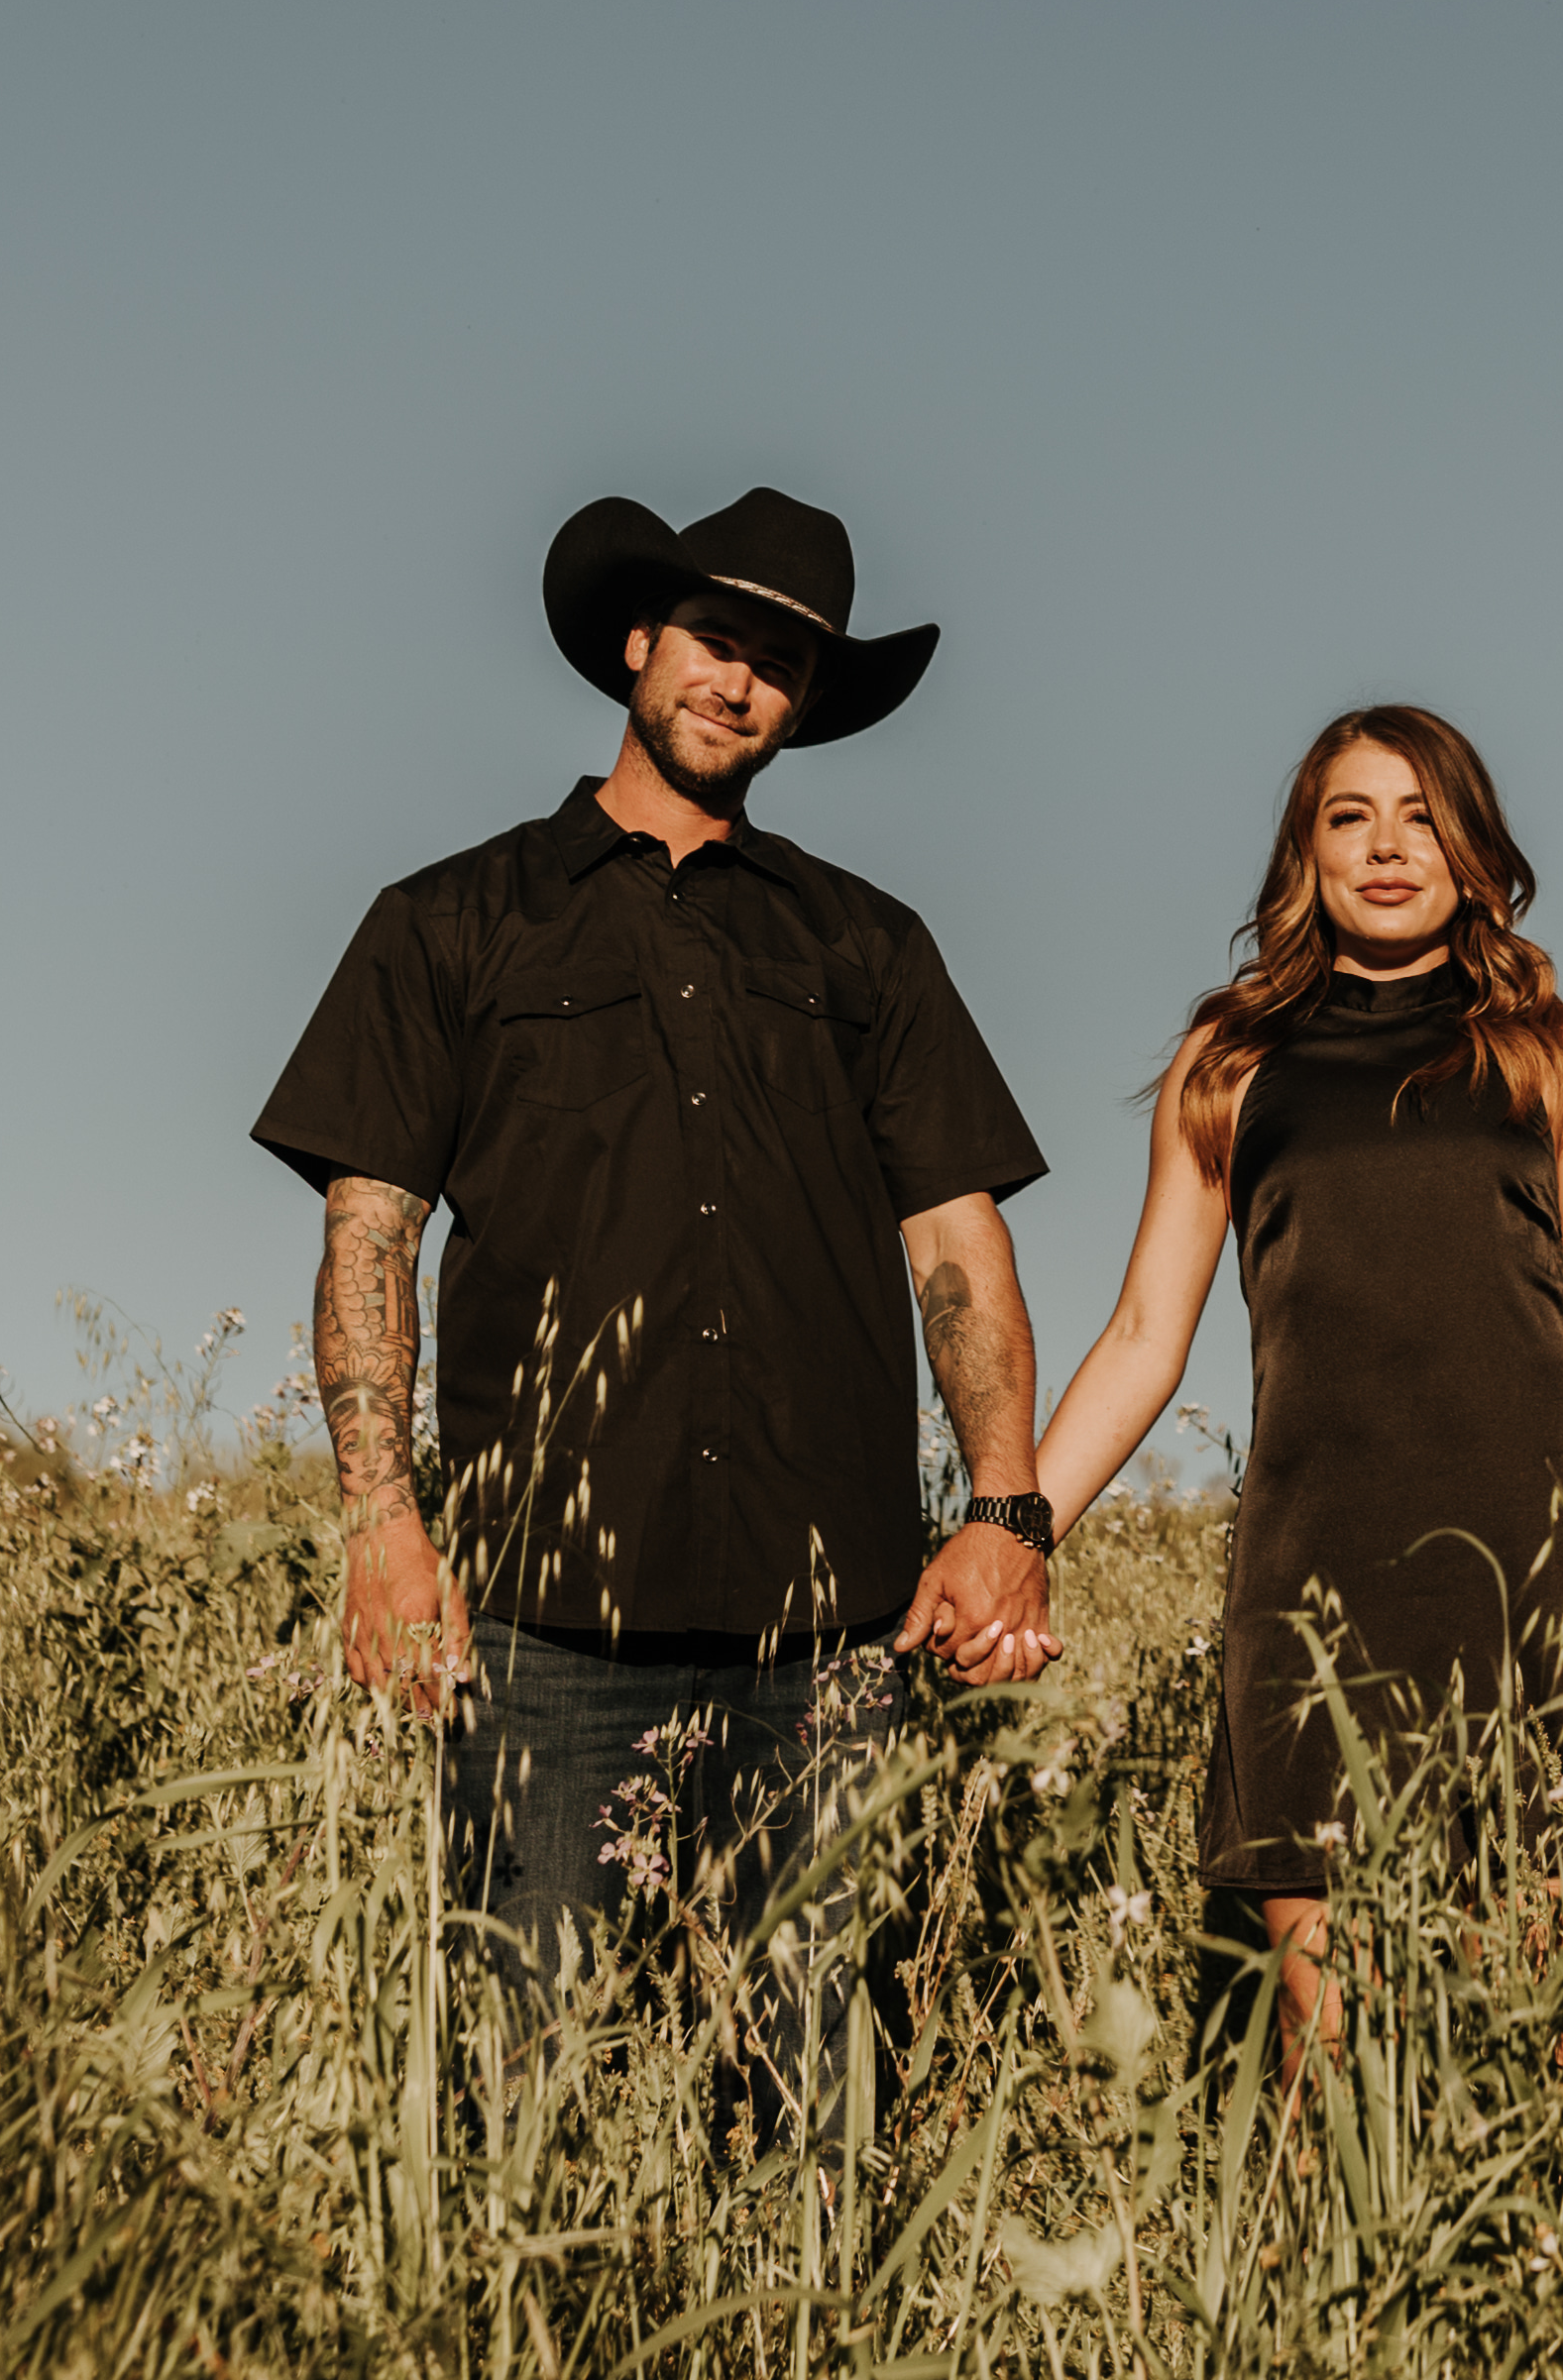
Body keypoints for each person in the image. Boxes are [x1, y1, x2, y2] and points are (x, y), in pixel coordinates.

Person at [251, 487, 1063, 2134]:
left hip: (827, 1619)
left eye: (781, 662)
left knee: (820, 2103)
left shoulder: (868, 945)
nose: (738, 682)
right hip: (539, 1617)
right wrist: (379, 1523)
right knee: (518, 2097)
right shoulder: (451, 920)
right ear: (639, 646)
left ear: (805, 704)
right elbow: (368, 1237)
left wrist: (1003, 1507)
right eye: (715, 639)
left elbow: (955, 1238)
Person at [1001, 704, 1563, 2052]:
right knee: (1336, 2048)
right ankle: (1322, 2265)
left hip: (1521, 1584)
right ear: (1304, 852)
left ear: (1474, 851)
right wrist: (1015, 1535)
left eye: (1421, 816)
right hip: (1313, 1591)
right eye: (1349, 816)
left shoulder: (1553, 1053)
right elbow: (1141, 1334)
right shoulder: (1233, 1067)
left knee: (1512, 2024)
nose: (1386, 847)